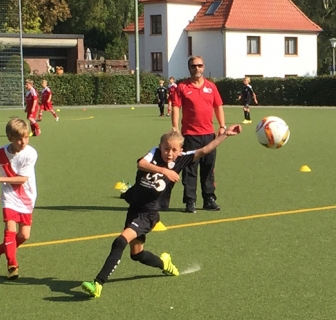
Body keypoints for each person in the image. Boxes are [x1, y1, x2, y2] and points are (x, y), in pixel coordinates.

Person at [80, 126, 241, 299]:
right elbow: (141, 164)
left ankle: (98, 283)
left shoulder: (182, 159)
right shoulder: (154, 153)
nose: (169, 153)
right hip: (135, 209)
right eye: (166, 149)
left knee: (120, 241)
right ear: (160, 146)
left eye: (174, 150)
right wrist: (165, 171)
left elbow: (204, 150)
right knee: (137, 255)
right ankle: (165, 263)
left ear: (180, 150)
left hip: (148, 213)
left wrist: (225, 134)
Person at [0, 118, 38, 280]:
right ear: (10, 138)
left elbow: (22, 179)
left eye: (26, 137)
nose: (23, 142)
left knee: (24, 235)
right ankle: (12, 266)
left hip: (26, 196)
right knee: (10, 230)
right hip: (9, 196)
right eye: (19, 139)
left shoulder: (30, 153)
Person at [169, 56, 226, 212]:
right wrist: (175, 128)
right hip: (190, 135)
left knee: (209, 168)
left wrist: (222, 125)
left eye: (200, 65)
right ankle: (190, 201)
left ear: (203, 67)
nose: (197, 68)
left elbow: (218, 106)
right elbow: (176, 107)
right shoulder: (182, 87)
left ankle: (209, 199)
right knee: (190, 169)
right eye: (194, 66)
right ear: (189, 68)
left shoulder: (211, 87)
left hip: (209, 135)